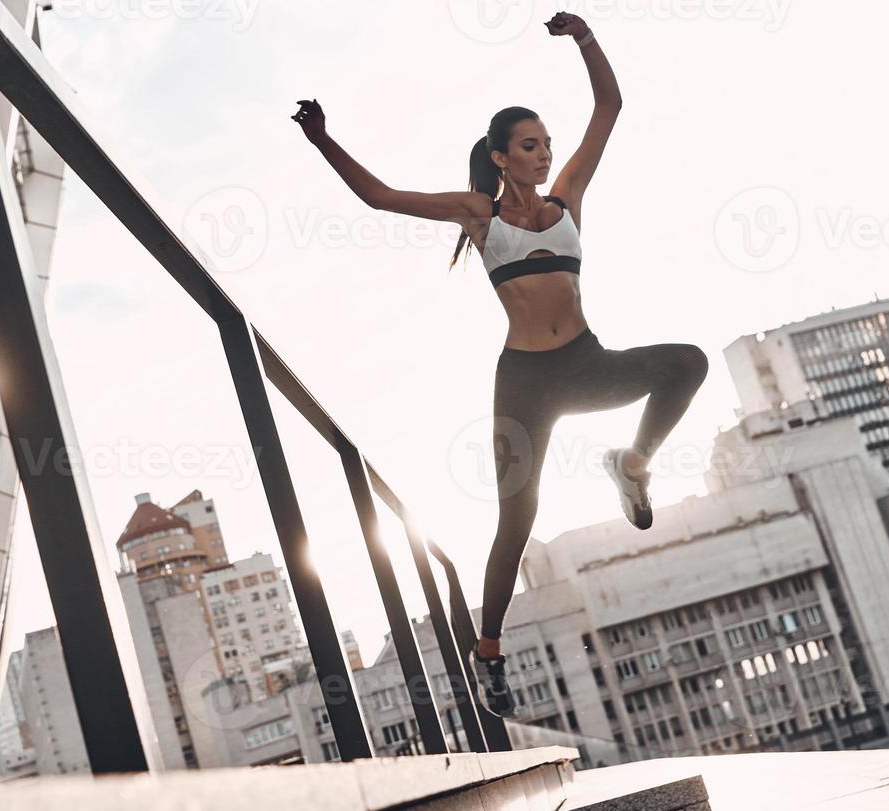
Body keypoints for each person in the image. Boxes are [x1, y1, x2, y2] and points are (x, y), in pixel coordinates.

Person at [292, 12, 708, 717]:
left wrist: (584, 37)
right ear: (499, 155)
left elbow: (609, 107)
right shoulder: (478, 214)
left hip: (586, 362)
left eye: (547, 144)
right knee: (518, 517)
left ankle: (633, 465)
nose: (545, 155)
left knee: (687, 363)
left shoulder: (567, 198)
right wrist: (323, 139)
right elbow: (380, 197)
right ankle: (489, 650)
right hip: (525, 383)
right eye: (529, 146)